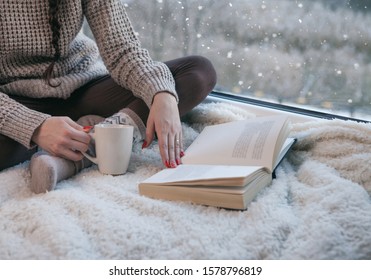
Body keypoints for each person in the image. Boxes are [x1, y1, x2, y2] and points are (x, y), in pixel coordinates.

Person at [0, 0, 217, 193]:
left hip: (86, 87)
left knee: (198, 72)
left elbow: (122, 50)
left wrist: (161, 93)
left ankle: (78, 154)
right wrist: (36, 127)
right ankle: (94, 135)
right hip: (20, 101)